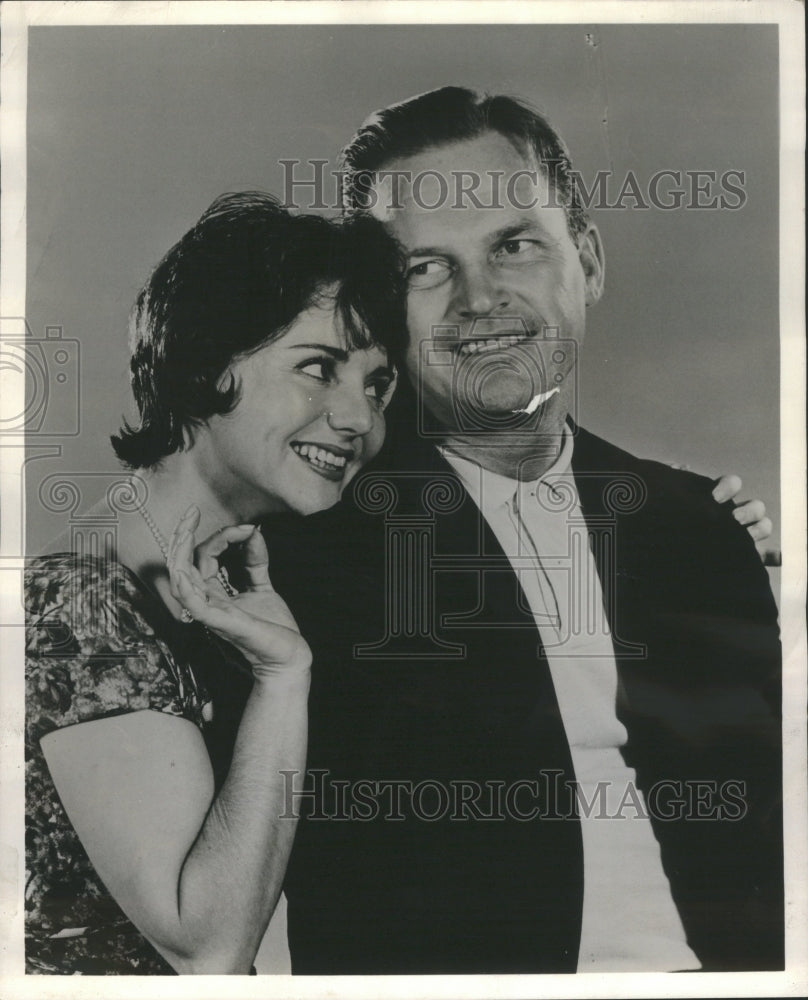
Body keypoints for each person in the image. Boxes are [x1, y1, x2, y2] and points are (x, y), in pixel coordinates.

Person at [259, 88, 782, 974]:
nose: (481, 298)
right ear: (379, 318)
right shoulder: (298, 554)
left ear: (588, 260)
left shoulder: (702, 529)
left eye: (514, 244)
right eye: (426, 268)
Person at [24, 192, 407, 974]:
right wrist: (282, 678)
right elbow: (210, 950)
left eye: (376, 384)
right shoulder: (82, 604)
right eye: (318, 368)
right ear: (204, 363)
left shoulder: (248, 567)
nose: (357, 418)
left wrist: (711, 537)